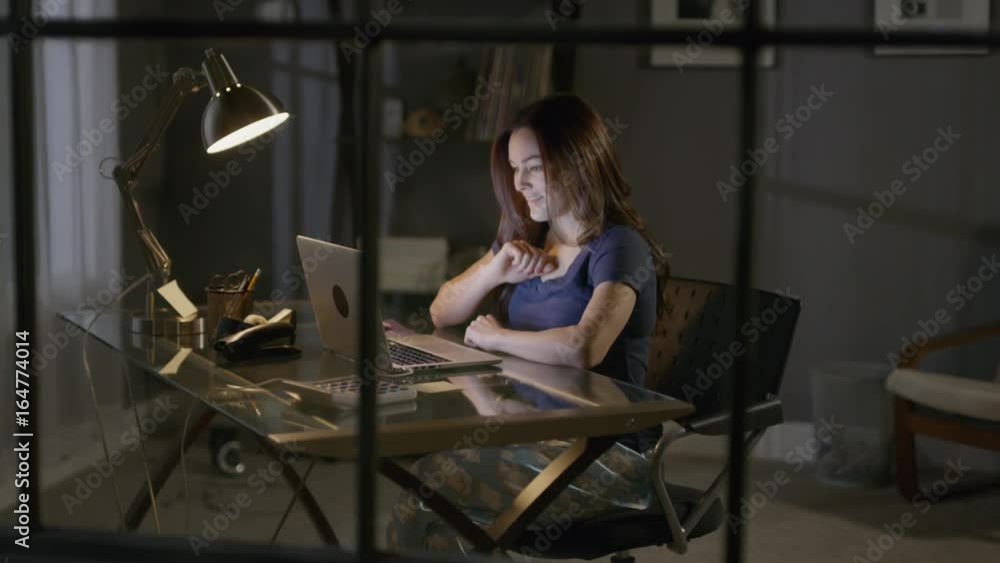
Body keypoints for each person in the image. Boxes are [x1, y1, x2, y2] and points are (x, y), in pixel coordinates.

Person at [386, 93, 671, 556]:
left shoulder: (618, 247)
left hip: (605, 455)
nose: (521, 184)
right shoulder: (529, 240)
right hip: (532, 432)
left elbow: (584, 347)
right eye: (517, 170)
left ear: (578, 160)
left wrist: (496, 338)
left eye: (534, 167)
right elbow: (443, 311)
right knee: (435, 520)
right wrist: (496, 269)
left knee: (423, 498)